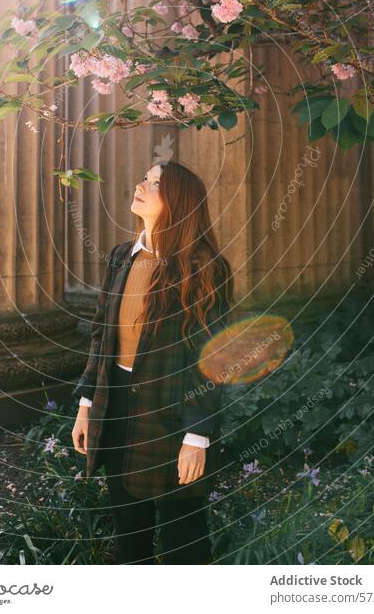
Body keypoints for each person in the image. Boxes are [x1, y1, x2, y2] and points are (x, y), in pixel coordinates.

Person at [71, 160, 234, 564]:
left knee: (185, 537)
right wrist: (86, 404)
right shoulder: (121, 257)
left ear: (178, 202)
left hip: (172, 412)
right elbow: (101, 335)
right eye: (144, 177)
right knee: (129, 532)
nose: (142, 185)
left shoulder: (203, 267)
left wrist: (197, 437)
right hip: (117, 406)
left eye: (156, 183)